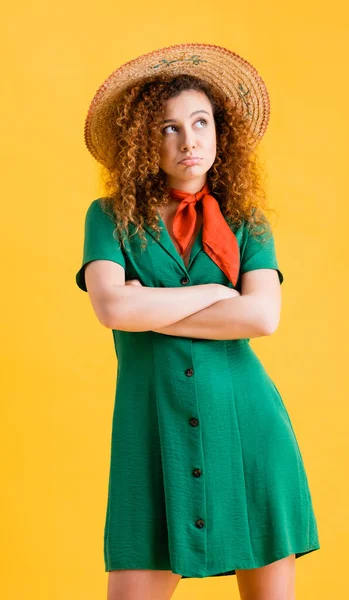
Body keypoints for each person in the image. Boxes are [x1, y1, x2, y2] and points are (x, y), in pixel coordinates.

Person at [75, 43, 320, 600]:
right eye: (167, 128)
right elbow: (112, 307)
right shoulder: (109, 218)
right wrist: (214, 293)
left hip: (247, 429)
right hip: (151, 434)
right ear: (143, 140)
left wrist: (149, 310)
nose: (189, 141)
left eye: (201, 122)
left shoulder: (247, 222)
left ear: (220, 131)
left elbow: (261, 315)